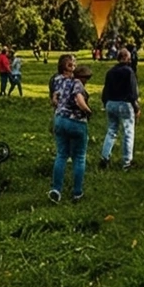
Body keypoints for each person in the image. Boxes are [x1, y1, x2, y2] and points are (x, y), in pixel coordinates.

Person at [50, 64, 93, 202]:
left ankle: (56, 189)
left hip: (60, 120)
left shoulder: (63, 82)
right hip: (76, 122)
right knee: (79, 157)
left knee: (61, 155)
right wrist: (88, 111)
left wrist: (59, 107)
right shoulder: (78, 84)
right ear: (82, 77)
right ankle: (77, 192)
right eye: (87, 78)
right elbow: (79, 100)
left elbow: (54, 98)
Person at [100, 49, 141, 170]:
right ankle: (127, 162)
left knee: (111, 130)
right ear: (128, 58)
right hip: (124, 104)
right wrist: (136, 106)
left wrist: (105, 102)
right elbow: (132, 91)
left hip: (110, 103)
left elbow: (105, 89)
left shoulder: (110, 72)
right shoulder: (129, 71)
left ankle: (105, 157)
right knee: (128, 132)